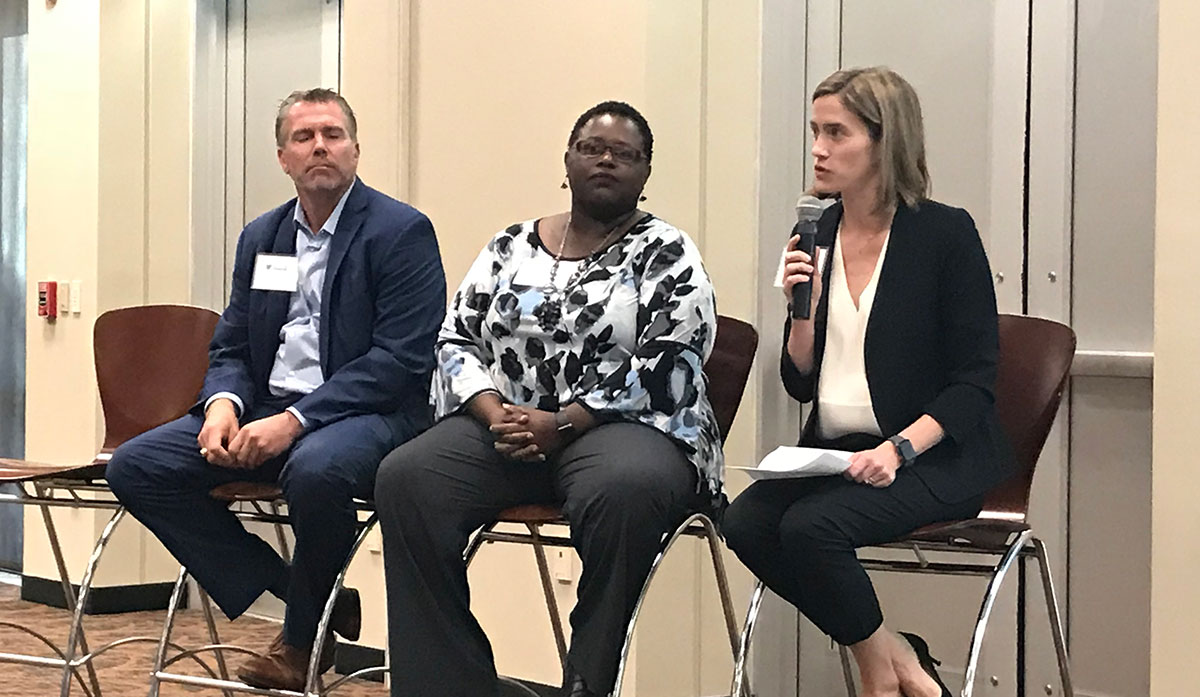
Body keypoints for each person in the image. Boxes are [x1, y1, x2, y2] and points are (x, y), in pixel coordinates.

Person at [373, 101, 721, 697]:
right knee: (408, 477)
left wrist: (564, 422)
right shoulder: (510, 244)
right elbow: (455, 337)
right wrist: (494, 412)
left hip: (625, 429)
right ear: (567, 160)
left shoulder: (666, 250)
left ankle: (588, 681)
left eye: (625, 153)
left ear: (645, 173)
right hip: (506, 424)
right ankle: (450, 684)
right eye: (592, 147)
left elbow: (672, 357)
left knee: (624, 492)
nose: (607, 160)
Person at [106, 88, 446, 691]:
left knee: (315, 470)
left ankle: (297, 641)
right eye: (304, 137)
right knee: (138, 466)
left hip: (366, 414)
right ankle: (300, 591)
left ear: (356, 149)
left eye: (333, 135)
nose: (320, 147)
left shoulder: (400, 232)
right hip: (263, 407)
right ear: (283, 158)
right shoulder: (261, 236)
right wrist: (221, 406)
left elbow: (399, 360)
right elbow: (233, 345)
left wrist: (296, 420)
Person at [722, 67, 1013, 697]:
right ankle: (892, 655)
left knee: (810, 530)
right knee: (743, 523)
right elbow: (801, 382)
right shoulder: (815, 231)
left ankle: (877, 672)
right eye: (814, 132)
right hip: (838, 452)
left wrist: (899, 448)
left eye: (836, 133)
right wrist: (802, 311)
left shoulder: (944, 234)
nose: (819, 149)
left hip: (930, 457)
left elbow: (975, 380)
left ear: (884, 142)